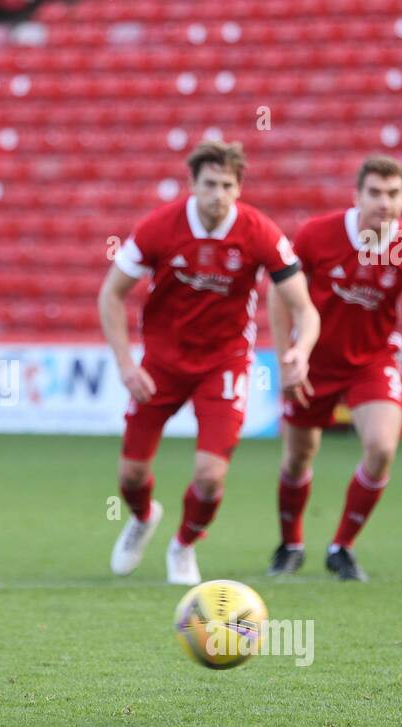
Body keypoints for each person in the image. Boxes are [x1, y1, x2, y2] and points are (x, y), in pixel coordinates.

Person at [98, 140, 320, 584]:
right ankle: (143, 518)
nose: (217, 194)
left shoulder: (259, 232)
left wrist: (300, 349)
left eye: (226, 185)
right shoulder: (160, 227)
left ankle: (183, 546)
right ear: (192, 186)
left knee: (210, 475)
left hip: (225, 362)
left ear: (239, 189)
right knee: (131, 473)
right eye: (209, 184)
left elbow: (305, 308)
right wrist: (126, 364)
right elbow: (111, 294)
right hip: (160, 362)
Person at [267, 155, 402, 581]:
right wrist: (286, 358)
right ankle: (291, 544)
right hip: (314, 360)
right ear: (356, 196)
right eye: (374, 193)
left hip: (371, 362)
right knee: (298, 456)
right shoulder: (317, 235)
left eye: (393, 194)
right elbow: (280, 295)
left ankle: (341, 547)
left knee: (382, 448)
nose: (384, 203)